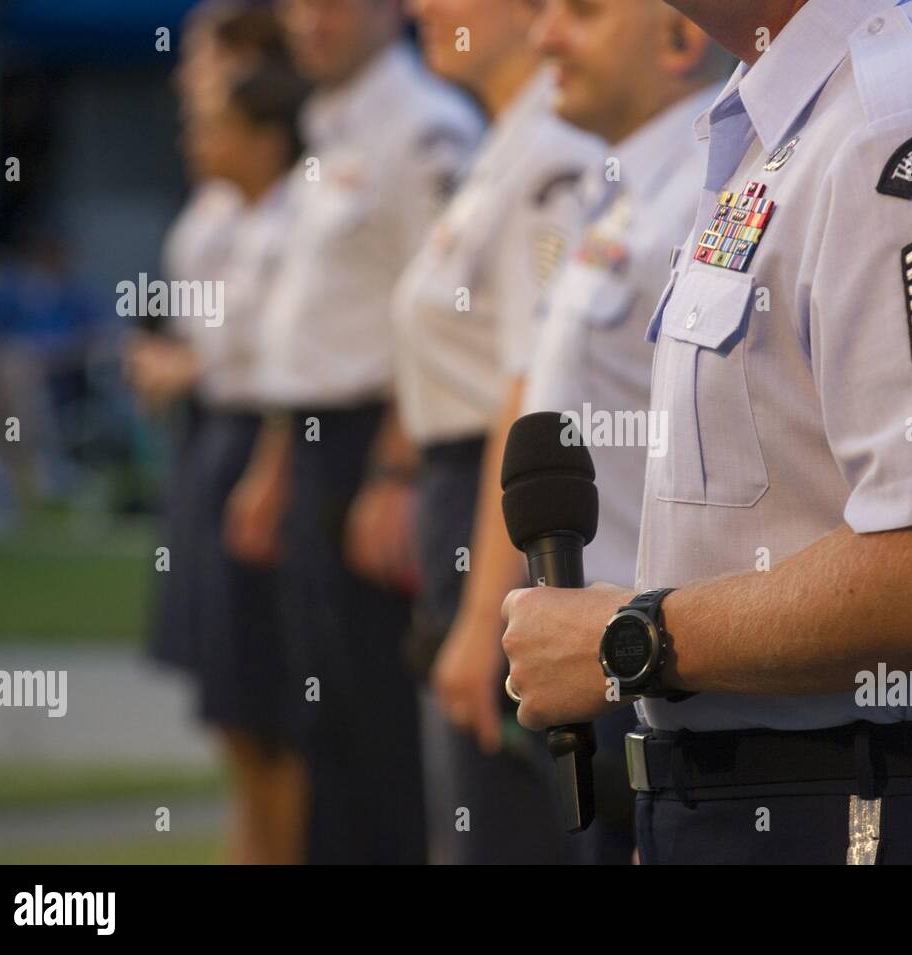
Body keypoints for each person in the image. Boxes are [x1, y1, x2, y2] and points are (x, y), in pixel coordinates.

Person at [499, 0, 912, 864]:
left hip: (884, 813)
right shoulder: (810, 109)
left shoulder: (910, 122)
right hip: (799, 804)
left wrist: (635, 639)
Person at [432, 0, 732, 865]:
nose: (544, 35)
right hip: (591, 647)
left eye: (584, 12)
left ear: (679, 37)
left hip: (654, 655)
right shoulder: (632, 187)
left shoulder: (709, 196)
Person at [225, 0, 481, 864]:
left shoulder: (425, 125)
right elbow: (311, 317)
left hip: (376, 440)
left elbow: (441, 313)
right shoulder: (326, 121)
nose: (309, 21)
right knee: (322, 720)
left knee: (379, 731)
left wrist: (397, 471)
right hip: (309, 438)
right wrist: (273, 460)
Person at [393, 0, 603, 864]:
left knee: (501, 830)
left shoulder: (549, 152)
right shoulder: (507, 146)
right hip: (463, 495)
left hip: (500, 506)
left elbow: (530, 386)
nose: (420, 8)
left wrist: (486, 615)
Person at [133, 61, 312, 864]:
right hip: (213, 436)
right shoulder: (228, 216)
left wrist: (186, 368)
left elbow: (273, 355)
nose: (193, 139)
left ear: (266, 138)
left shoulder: (290, 220)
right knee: (229, 703)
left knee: (266, 704)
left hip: (257, 436)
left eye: (216, 126)